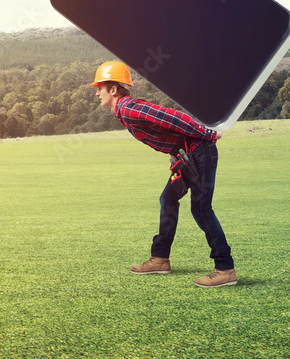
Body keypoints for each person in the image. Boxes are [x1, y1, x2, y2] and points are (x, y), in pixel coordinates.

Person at [91, 60, 237, 288]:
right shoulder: (123, 110)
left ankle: (225, 268)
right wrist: (176, 156)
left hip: (199, 151)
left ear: (113, 89)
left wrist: (207, 134)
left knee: (201, 209)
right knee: (167, 199)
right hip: (186, 155)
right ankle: (160, 259)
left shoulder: (129, 107)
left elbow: (172, 118)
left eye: (99, 88)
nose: (97, 93)